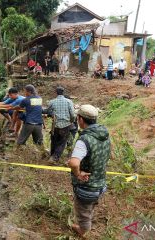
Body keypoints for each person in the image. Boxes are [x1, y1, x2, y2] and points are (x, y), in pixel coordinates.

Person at [67, 105, 110, 237]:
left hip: (87, 187)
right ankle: (87, 222)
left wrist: (78, 173)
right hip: (101, 183)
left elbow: (74, 163)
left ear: (80, 119)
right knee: (90, 206)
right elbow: (101, 155)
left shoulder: (84, 139)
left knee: (83, 213)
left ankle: (83, 231)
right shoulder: (104, 135)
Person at [47, 87, 75, 163]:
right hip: (66, 125)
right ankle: (54, 158)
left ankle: (52, 155)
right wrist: (71, 121)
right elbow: (72, 114)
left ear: (56, 92)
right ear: (63, 92)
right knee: (62, 142)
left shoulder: (52, 102)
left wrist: (52, 115)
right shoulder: (69, 102)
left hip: (55, 125)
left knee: (54, 141)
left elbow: (48, 111)